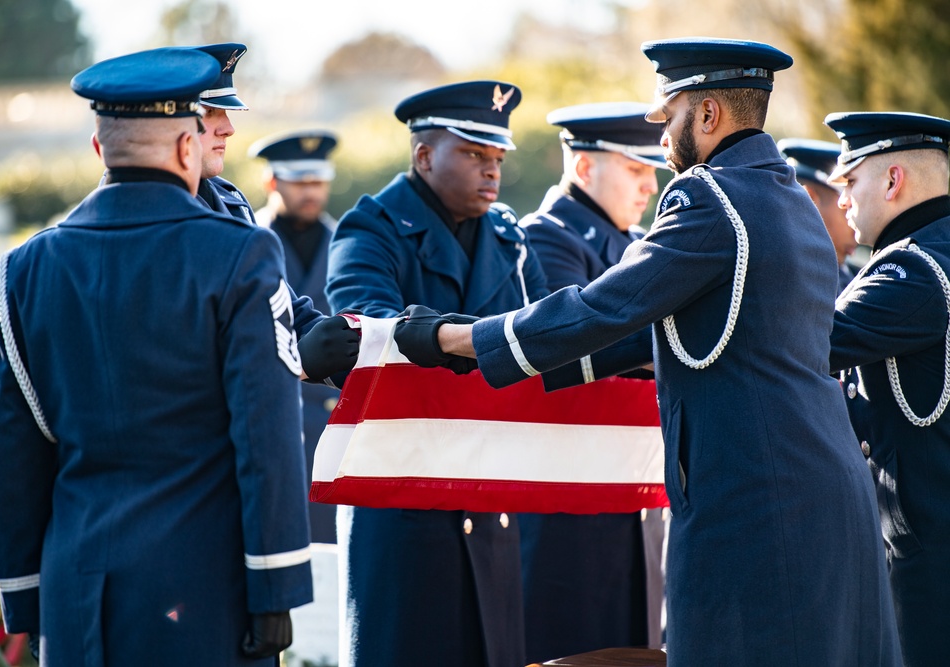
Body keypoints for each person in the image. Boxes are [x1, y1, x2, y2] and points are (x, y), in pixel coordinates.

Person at [393, 38, 902, 666]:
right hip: (820, 497)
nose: (661, 141)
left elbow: (601, 308)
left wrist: (450, 337)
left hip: (754, 508)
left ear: (708, 115)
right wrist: (511, 354)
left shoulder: (709, 199)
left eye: (668, 118)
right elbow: (652, 332)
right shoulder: (791, 199)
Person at [0, 47, 358, 665]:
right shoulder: (238, 255)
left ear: (100, 150)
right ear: (188, 149)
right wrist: (277, 586)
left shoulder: (19, 271)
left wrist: (26, 597)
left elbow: (11, 451)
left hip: (79, 595)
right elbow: (265, 436)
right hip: (203, 594)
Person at [325, 80, 548, 667]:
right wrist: (463, 340)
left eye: (498, 157)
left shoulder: (509, 239)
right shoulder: (369, 228)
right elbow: (365, 323)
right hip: (403, 496)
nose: (491, 171)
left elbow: (551, 337)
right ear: (424, 156)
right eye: (474, 154)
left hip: (489, 489)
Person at [515, 102, 666, 661]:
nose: (650, 185)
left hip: (631, 483)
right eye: (635, 169)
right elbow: (580, 343)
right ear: (583, 168)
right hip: (568, 497)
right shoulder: (545, 237)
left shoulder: (641, 241)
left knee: (637, 648)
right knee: (573, 649)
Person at [824, 111, 950, 667]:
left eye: (850, 182)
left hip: (930, 558)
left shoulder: (913, 270)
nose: (843, 201)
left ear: (893, 181)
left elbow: (797, 345)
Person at [251, 131, 341, 543]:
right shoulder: (243, 243)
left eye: (318, 181)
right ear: (273, 183)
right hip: (269, 428)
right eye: (300, 181)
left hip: (335, 429)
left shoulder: (348, 244)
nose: (311, 192)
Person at [777, 138, 859, 292]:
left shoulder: (851, 276)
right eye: (847, 208)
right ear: (810, 200)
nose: (855, 224)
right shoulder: (782, 272)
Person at [193, 42, 257, 223]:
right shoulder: (140, 205)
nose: (228, 130)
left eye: (225, 113)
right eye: (208, 112)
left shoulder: (233, 200)